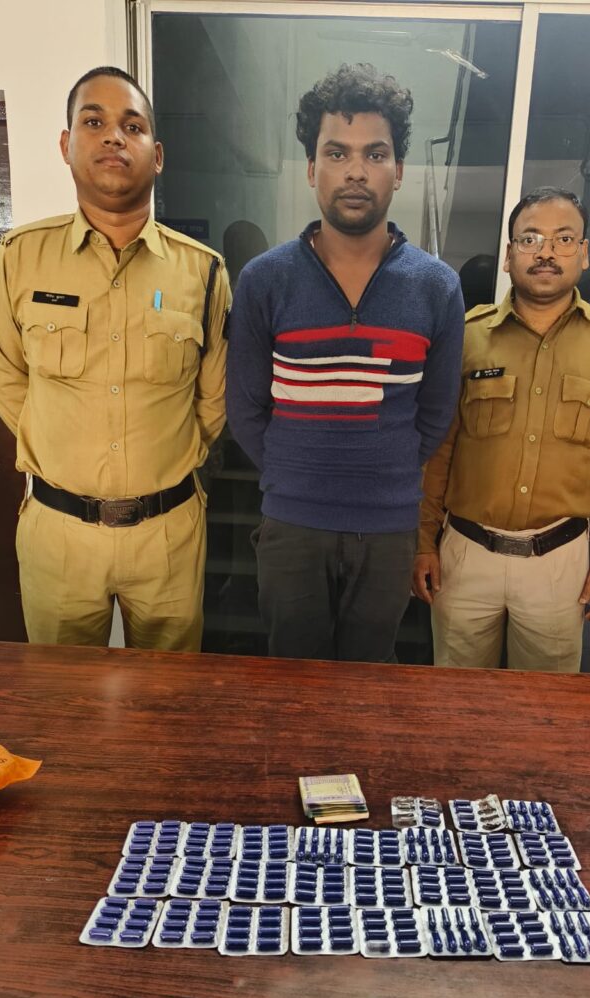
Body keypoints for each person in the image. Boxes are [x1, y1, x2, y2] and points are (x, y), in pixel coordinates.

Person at [0, 67, 229, 651]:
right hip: (59, 533)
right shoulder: (20, 256)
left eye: (133, 126)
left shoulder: (203, 270)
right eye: (94, 122)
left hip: (168, 535)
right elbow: (6, 378)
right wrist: (62, 449)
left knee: (169, 695)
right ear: (67, 145)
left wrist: (159, 460)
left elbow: (213, 399)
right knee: (60, 696)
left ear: (157, 155)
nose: (114, 136)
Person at [227, 63, 464, 662]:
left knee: (368, 685)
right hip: (291, 526)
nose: (356, 171)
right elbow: (246, 407)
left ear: (398, 170)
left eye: (374, 154)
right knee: (293, 686)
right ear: (312, 168)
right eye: (337, 153)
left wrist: (383, 472)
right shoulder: (264, 280)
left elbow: (436, 412)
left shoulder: (436, 287)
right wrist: (295, 473)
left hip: (388, 529)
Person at [413, 186, 590, 672]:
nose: (546, 252)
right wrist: (423, 541)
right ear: (509, 254)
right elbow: (439, 452)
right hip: (465, 557)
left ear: (584, 253)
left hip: (558, 565)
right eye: (530, 238)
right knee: (457, 697)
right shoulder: (466, 337)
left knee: (546, 705)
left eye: (564, 239)